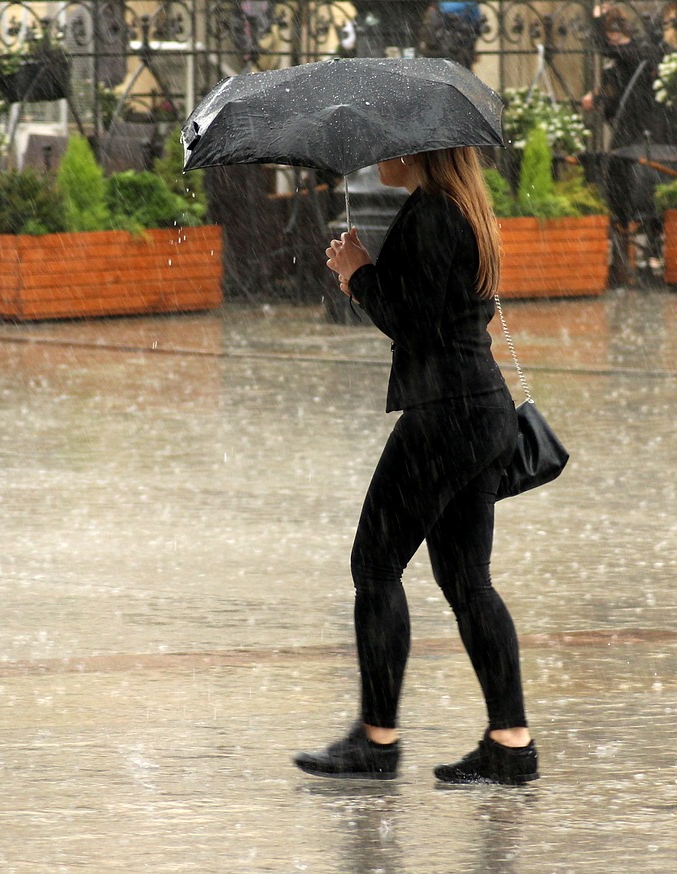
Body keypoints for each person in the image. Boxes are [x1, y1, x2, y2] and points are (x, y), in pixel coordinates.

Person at [292, 147, 538, 785]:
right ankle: (510, 743)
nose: (377, 160)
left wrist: (360, 273)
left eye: (390, 150)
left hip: (443, 415)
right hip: (481, 410)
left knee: (374, 566)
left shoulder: (434, 215)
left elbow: (413, 322)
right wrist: (367, 277)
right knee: (466, 580)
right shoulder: (462, 211)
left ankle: (377, 739)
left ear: (422, 152)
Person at [580, 7, 662, 148]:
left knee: (623, 158)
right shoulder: (617, 53)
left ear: (618, 31)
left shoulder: (632, 51)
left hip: (634, 118)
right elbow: (614, 83)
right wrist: (595, 94)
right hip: (619, 118)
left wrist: (597, 19)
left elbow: (602, 46)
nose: (609, 38)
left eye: (610, 33)